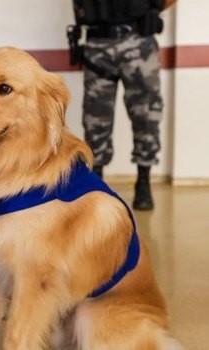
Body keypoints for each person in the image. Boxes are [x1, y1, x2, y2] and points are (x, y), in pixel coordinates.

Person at [69, 0, 176, 210]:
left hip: (139, 41)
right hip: (97, 43)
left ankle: (143, 182)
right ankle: (95, 181)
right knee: (95, 118)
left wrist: (150, 8)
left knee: (146, 114)